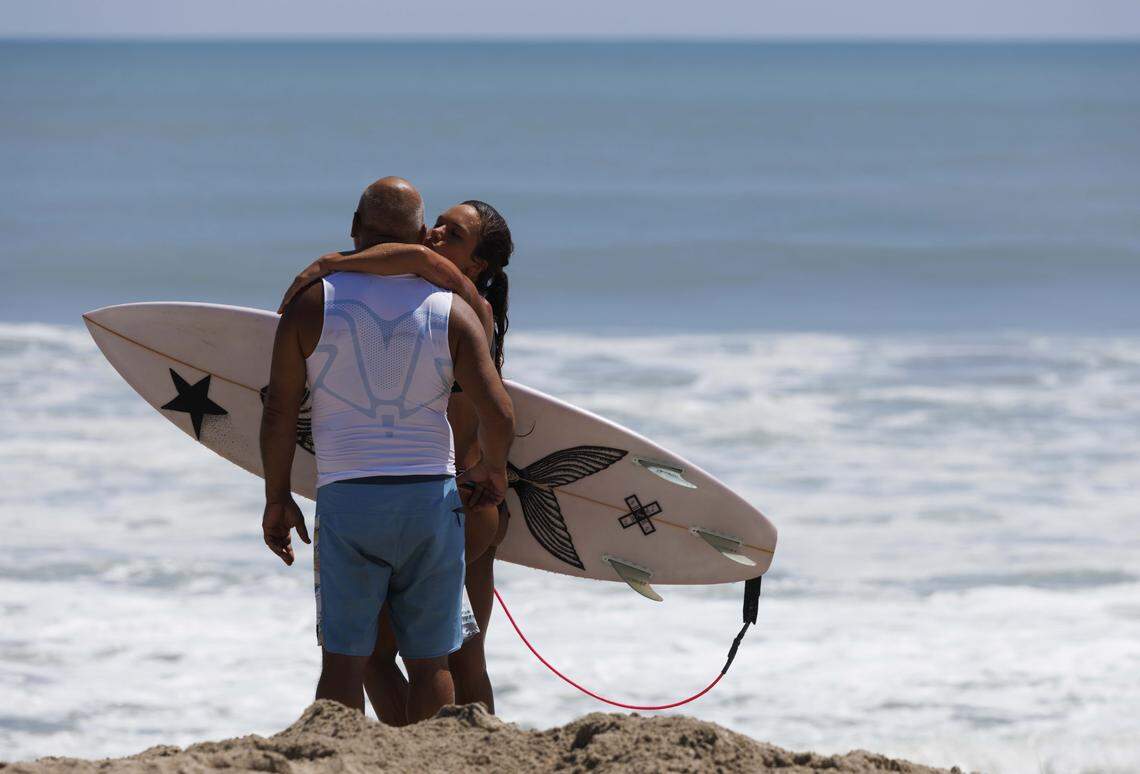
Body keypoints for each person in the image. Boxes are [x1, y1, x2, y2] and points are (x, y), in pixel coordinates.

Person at [260, 177, 515, 720]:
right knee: (433, 660)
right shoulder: (453, 307)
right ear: (420, 230)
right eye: (434, 227)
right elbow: (499, 412)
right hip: (439, 499)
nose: (439, 235)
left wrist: (329, 263)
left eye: (453, 234)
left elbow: (280, 410)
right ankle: (424, 753)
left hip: (404, 500)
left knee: (371, 660)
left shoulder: (468, 306)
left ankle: (406, 754)